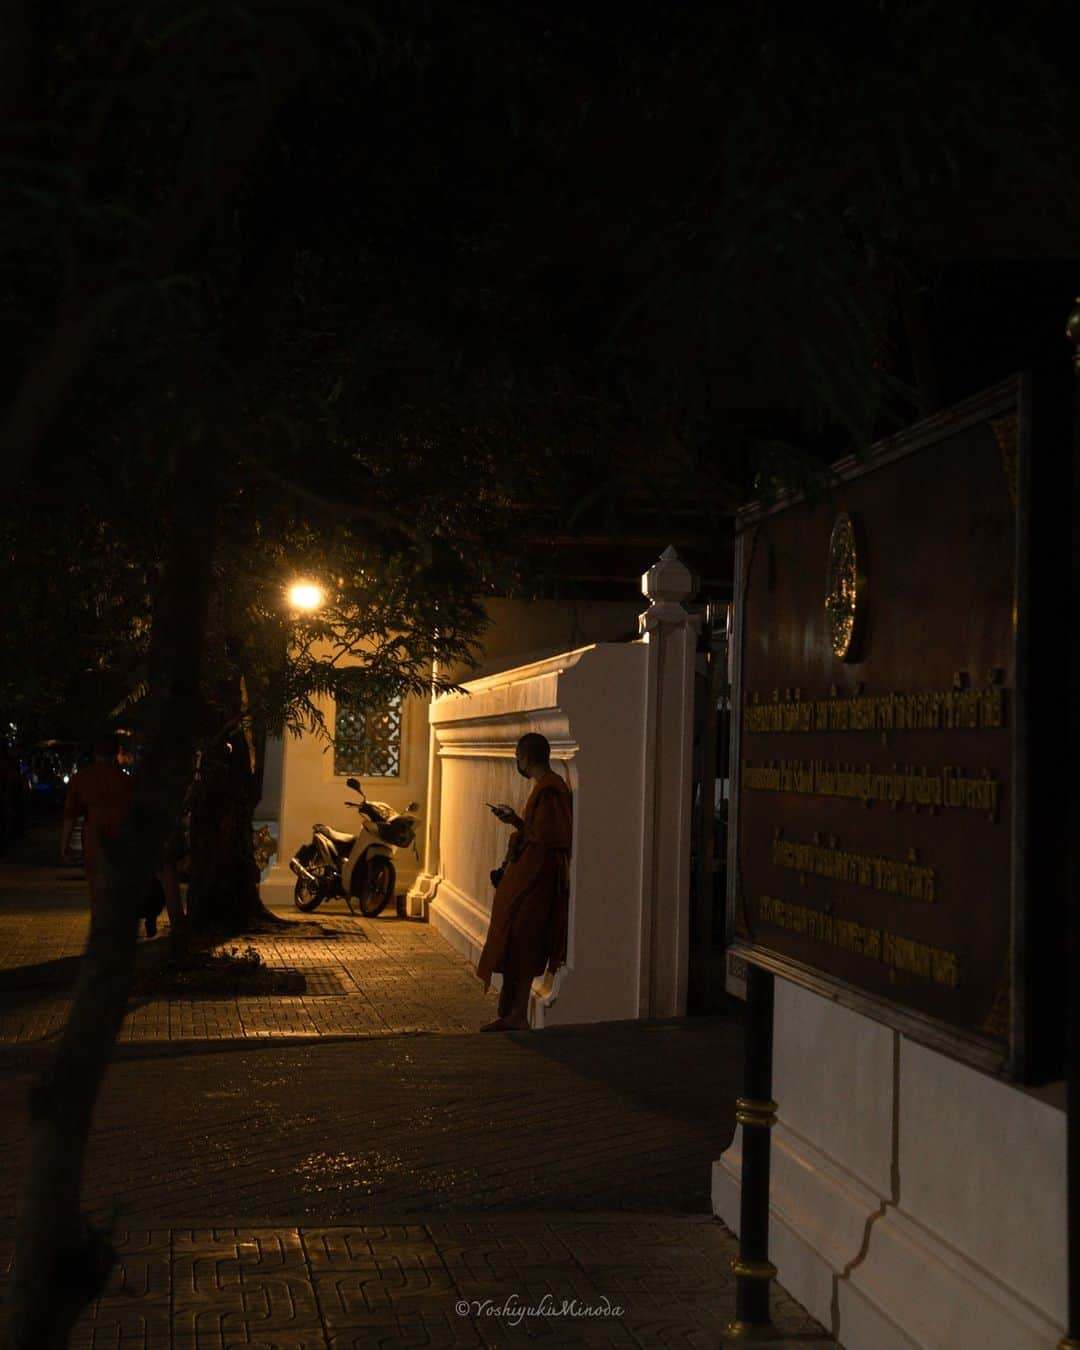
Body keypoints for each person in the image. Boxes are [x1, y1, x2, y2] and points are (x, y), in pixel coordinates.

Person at [476, 732, 572, 1031]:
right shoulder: (543, 788)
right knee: (515, 941)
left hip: (537, 880)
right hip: (527, 876)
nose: (517, 762)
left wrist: (521, 826)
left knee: (525, 943)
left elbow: (550, 837)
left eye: (518, 757)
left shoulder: (551, 790)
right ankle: (513, 1013)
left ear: (527, 758)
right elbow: (537, 831)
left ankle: (517, 1014)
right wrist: (516, 821)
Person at [60, 733, 162, 937]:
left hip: (94, 844)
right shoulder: (125, 781)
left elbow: (70, 815)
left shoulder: (83, 779)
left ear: (95, 753)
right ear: (116, 753)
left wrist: (64, 845)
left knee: (98, 892)